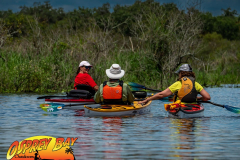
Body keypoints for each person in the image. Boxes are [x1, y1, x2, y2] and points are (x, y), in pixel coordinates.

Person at [138, 64, 211, 104]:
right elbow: (207, 97)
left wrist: (148, 99)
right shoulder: (196, 84)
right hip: (194, 109)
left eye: (179, 73)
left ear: (181, 73)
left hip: (180, 108)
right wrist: (199, 98)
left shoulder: (178, 84)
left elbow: (161, 94)